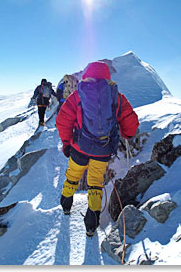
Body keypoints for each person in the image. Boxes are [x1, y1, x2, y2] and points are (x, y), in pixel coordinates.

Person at [56, 61, 139, 237]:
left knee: (73, 175)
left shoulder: (78, 95)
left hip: (80, 147)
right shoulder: (117, 96)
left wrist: (66, 143)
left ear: (87, 75)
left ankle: (66, 206)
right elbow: (131, 125)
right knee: (95, 182)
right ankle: (91, 224)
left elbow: (63, 120)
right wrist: (126, 134)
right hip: (103, 149)